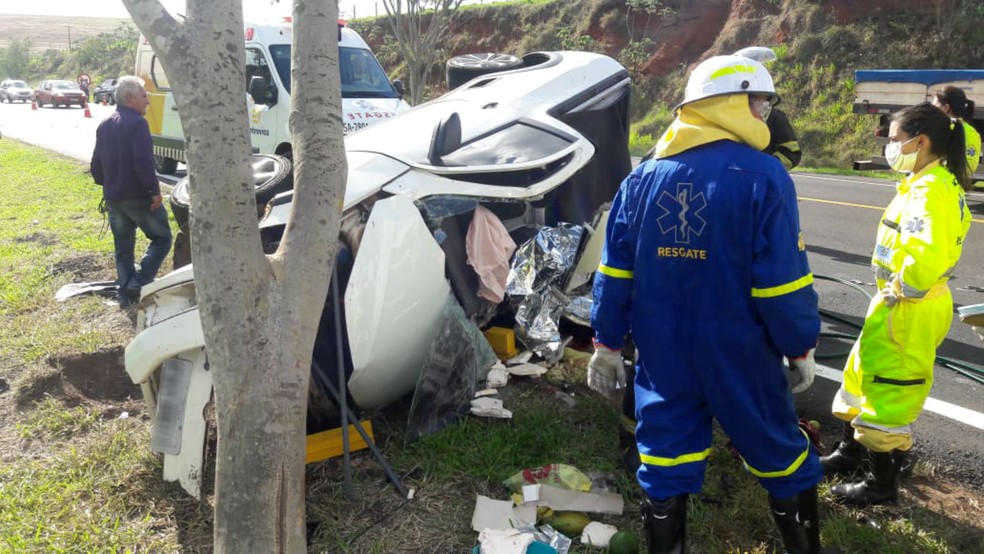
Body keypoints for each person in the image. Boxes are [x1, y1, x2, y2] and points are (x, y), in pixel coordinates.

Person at [589, 55, 826, 553]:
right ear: (729, 103)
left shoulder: (642, 179)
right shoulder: (764, 176)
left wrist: (607, 342)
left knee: (666, 451)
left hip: (663, 347)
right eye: (759, 100)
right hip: (738, 347)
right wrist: (800, 347)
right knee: (778, 450)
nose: (765, 112)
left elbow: (614, 273)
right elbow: (782, 284)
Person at [820, 102, 972, 506]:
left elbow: (925, 258)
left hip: (907, 306)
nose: (889, 147)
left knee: (890, 389)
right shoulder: (930, 182)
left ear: (919, 141)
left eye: (893, 139)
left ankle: (880, 485)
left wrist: (901, 289)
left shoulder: (929, 190)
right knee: (863, 374)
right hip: (898, 304)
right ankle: (851, 453)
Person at [90, 75, 172, 307]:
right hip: (139, 197)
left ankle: (125, 292)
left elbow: (96, 164)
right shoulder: (137, 124)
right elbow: (144, 162)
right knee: (163, 238)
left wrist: (108, 184)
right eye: (144, 96)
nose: (147, 101)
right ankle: (141, 280)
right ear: (130, 98)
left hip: (114, 197)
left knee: (123, 248)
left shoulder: (105, 124)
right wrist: (154, 192)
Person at [734, 46, 802, 169]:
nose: (752, 103)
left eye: (760, 97)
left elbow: (791, 153)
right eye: (749, 98)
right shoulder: (728, 117)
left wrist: (767, 168)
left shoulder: (776, 117)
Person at [932, 85, 980, 176]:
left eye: (935, 107)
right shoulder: (936, 128)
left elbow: (968, 166)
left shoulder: (970, 133)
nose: (932, 110)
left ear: (946, 108)